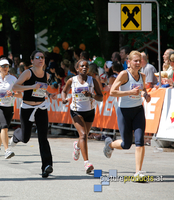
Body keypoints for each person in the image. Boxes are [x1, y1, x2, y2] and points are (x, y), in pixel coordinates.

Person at [104, 51, 151, 180]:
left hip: (138, 111)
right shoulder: (124, 74)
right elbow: (112, 92)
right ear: (128, 62)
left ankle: (138, 172)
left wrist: (146, 95)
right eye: (135, 61)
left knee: (140, 141)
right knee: (126, 144)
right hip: (124, 111)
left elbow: (143, 89)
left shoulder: (142, 75)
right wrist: (130, 91)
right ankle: (110, 145)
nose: (138, 63)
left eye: (139, 61)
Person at [9, 50, 57, 178]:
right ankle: (16, 136)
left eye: (42, 57)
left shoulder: (46, 75)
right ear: (32, 60)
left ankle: (46, 166)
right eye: (38, 57)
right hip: (27, 107)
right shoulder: (27, 73)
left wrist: (49, 94)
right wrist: (31, 87)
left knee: (43, 137)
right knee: (25, 138)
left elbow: (42, 90)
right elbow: (15, 87)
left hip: (41, 107)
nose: (41, 59)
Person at [61, 59, 103, 174]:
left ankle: (77, 145)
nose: (84, 68)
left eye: (86, 66)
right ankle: (87, 163)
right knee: (83, 135)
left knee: (83, 136)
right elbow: (64, 91)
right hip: (76, 111)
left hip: (89, 111)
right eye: (82, 66)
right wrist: (64, 99)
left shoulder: (92, 81)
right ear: (77, 68)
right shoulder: (72, 80)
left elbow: (101, 97)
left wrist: (92, 95)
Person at [0, 59, 22, 160]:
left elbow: (20, 94)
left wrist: (13, 94)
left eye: (7, 66)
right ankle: (7, 151)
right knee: (4, 126)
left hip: (9, 107)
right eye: (3, 66)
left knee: (3, 129)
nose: (5, 68)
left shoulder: (13, 79)